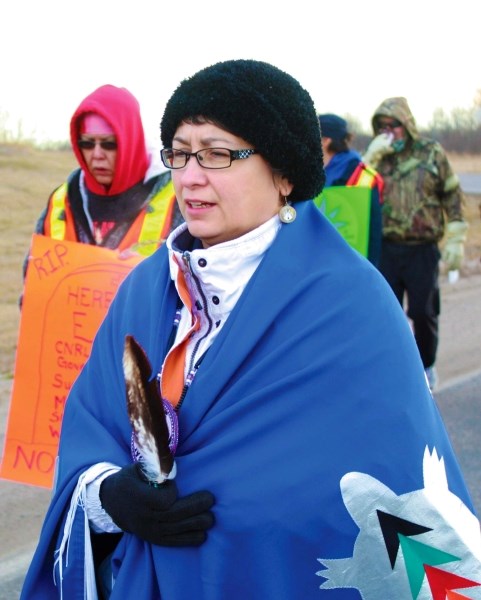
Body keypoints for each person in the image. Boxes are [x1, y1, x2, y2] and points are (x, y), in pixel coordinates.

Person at [21, 61, 481, 599]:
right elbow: (90, 431)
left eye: (217, 154)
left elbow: (396, 490)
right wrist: (110, 498)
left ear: (283, 173)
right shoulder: (145, 291)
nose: (190, 176)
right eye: (179, 152)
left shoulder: (352, 305)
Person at [363, 97, 468, 390]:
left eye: (393, 125)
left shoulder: (430, 152)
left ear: (406, 124)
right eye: (382, 127)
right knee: (386, 313)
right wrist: (369, 158)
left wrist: (457, 233)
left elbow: (451, 192)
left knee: (423, 312)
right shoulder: (377, 157)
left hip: (422, 248)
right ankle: (395, 371)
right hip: (386, 248)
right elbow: (354, 192)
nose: (388, 132)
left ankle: (427, 365)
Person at [24, 84, 182, 278]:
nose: (97, 155)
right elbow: (31, 281)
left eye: (109, 144)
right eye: (87, 143)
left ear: (131, 141)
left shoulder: (177, 199)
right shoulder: (61, 200)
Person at [316, 113, 383, 266]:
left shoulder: (363, 177)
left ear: (326, 141)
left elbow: (373, 236)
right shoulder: (310, 173)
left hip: (353, 266)